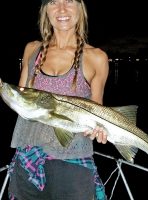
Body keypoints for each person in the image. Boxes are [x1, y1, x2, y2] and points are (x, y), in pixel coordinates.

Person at [8, 0, 109, 199]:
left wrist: (98, 130)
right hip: (27, 156)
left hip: (73, 162)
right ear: (45, 10)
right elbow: (20, 100)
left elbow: (97, 112)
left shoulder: (96, 57)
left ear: (81, 8)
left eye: (69, 1)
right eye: (54, 2)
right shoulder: (32, 49)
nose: (62, 9)